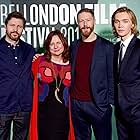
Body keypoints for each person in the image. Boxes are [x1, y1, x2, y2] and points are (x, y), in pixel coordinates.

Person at [70, 8, 114, 140]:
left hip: (98, 104)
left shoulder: (107, 46)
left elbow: (112, 75)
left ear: (94, 21)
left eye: (88, 20)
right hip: (77, 104)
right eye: (81, 21)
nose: (85, 24)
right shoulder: (73, 46)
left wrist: (108, 102)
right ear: (78, 23)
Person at [29, 30, 75, 140]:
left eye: (58, 43)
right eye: (52, 44)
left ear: (64, 43)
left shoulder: (72, 64)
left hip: (64, 117)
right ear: (48, 46)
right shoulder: (38, 62)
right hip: (43, 116)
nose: (55, 46)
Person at [0, 11, 35, 139]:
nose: (15, 29)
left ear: (23, 29)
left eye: (19, 26)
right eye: (12, 25)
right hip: (3, 106)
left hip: (24, 106)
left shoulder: (30, 49)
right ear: (5, 26)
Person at [112, 6, 140, 140]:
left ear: (132, 24)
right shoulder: (115, 48)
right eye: (116, 21)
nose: (120, 25)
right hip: (120, 112)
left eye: (124, 21)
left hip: (137, 112)